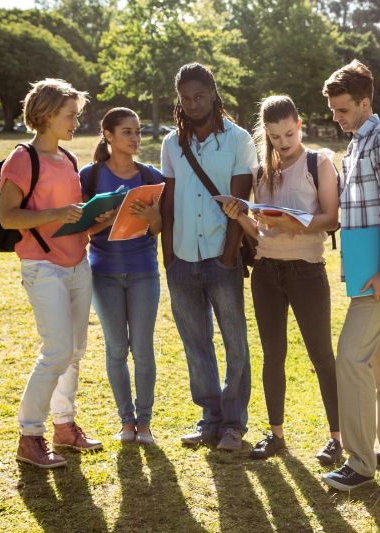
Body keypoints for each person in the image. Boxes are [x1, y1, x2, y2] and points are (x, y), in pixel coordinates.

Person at [221, 95, 342, 463]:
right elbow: (260, 232)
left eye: (289, 134)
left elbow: (333, 218)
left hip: (306, 270)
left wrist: (296, 222)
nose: (283, 143)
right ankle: (275, 435)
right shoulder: (261, 172)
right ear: (266, 135)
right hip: (266, 272)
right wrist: (239, 215)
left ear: (299, 125)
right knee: (273, 355)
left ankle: (337, 439)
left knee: (322, 355)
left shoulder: (318, 161)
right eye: (275, 137)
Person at [0, 79, 112, 469]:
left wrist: (102, 218)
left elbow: (76, 220)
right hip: (42, 267)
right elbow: (8, 216)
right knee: (57, 350)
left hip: (77, 264)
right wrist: (56, 213)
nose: (76, 122)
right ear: (47, 115)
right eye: (70, 115)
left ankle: (65, 427)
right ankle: (29, 435)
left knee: (75, 351)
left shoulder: (69, 160)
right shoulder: (22, 159)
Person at [319, 61, 380, 491]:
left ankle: (359, 463)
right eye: (333, 111)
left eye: (342, 110)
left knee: (351, 356)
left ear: (364, 102)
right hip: (364, 268)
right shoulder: (356, 143)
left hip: (379, 272)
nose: (336, 118)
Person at [160, 63, 257, 451]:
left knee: (235, 341)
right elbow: (166, 202)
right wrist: (167, 255)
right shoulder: (171, 144)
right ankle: (209, 419)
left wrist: (229, 258)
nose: (193, 103)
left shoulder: (238, 139)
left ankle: (233, 423)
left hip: (221, 256)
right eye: (186, 97)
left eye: (200, 96)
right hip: (181, 257)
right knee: (195, 343)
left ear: (214, 94)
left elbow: (239, 202)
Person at [79, 108, 164, 445]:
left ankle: (144, 424)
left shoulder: (149, 174)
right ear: (108, 136)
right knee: (116, 349)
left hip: (144, 271)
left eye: (138, 131)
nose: (135, 138)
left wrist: (153, 215)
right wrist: (105, 218)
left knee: (142, 350)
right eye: (127, 132)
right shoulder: (90, 175)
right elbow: (81, 228)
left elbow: (157, 230)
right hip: (104, 273)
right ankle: (125, 423)